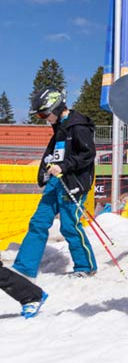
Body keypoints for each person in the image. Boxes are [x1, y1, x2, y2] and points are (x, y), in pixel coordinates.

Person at [13, 88, 97, 279]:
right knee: (38, 222)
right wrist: (44, 170)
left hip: (73, 182)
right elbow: (53, 152)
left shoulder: (78, 126)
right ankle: (24, 268)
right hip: (55, 182)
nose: (44, 118)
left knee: (69, 226)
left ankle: (85, 266)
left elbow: (88, 155)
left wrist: (64, 167)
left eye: (44, 113)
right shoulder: (59, 126)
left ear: (57, 107)